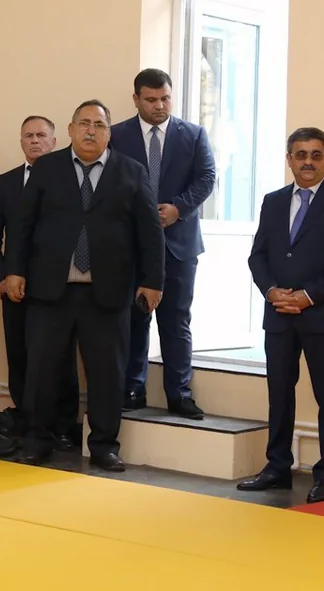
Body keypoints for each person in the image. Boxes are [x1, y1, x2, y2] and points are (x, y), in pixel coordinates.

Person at [4, 100, 165, 471]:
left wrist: (153, 281)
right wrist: (14, 270)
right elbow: (23, 224)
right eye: (84, 123)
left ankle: (105, 446)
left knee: (107, 374)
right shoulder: (47, 168)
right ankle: (37, 441)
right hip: (51, 291)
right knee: (42, 371)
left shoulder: (131, 171)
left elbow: (150, 232)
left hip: (107, 293)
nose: (91, 131)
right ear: (71, 129)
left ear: (109, 132)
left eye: (99, 125)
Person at [237, 127, 324, 503]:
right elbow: (257, 255)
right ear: (289, 159)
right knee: (279, 393)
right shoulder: (273, 201)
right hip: (279, 315)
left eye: (316, 155)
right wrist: (271, 291)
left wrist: (308, 297)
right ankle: (277, 467)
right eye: (301, 155)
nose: (308, 162)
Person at [110, 68, 215, 418]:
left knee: (176, 320)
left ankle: (179, 394)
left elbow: (207, 177)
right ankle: (132, 388)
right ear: (136, 99)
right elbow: (108, 181)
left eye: (165, 98)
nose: (159, 106)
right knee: (134, 318)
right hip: (131, 246)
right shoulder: (117, 136)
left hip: (179, 244)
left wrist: (178, 208)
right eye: (151, 99)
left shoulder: (193, 135)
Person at [0, 115, 79, 447]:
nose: (34, 141)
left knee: (59, 358)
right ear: (21, 142)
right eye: (28, 136)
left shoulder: (71, 179)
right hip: (14, 288)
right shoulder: (6, 182)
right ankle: (25, 419)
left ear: (54, 142)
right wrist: (1, 276)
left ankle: (63, 425)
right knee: (20, 355)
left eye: (41, 135)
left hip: (57, 288)